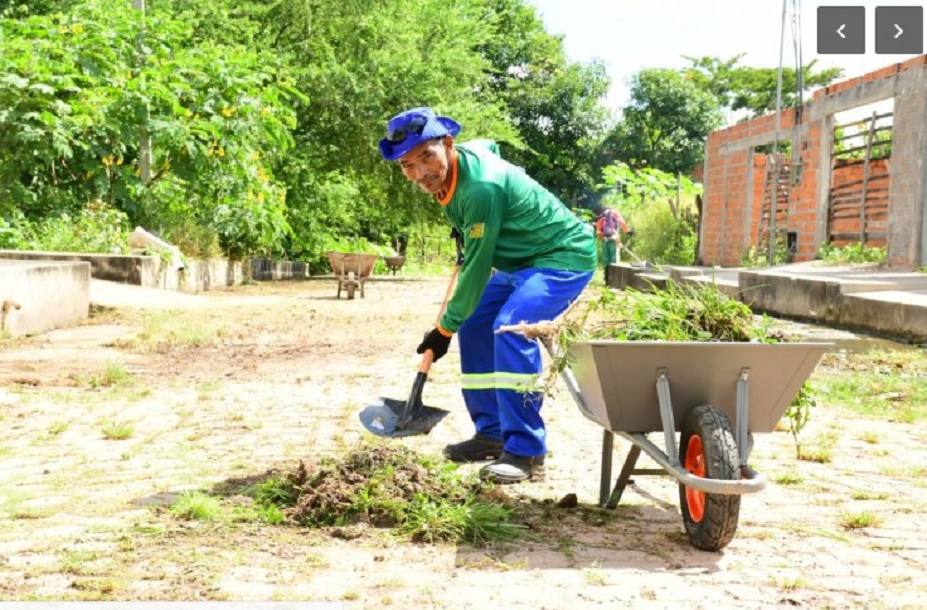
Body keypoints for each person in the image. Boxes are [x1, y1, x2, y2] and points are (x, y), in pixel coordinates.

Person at [378, 107, 597, 484]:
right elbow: (489, 145)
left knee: (511, 328)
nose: (420, 173)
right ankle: (492, 432)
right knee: (476, 322)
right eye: (407, 166)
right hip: (518, 261)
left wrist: (442, 331)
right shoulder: (459, 163)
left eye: (427, 157)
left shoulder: (481, 188)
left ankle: (527, 452)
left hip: (562, 256)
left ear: (448, 144)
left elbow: (477, 270)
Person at [595, 206, 633, 277]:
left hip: (605, 240)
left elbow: (598, 230)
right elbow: (621, 222)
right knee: (614, 259)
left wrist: (602, 236)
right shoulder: (615, 213)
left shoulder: (602, 216)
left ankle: (606, 279)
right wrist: (628, 231)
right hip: (614, 239)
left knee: (606, 259)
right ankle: (614, 279)